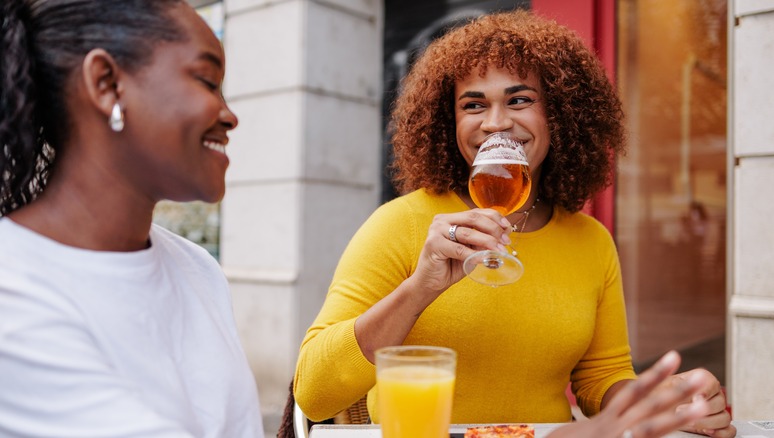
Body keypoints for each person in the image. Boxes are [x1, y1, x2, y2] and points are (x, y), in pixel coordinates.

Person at [293, 8, 735, 438]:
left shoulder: (591, 241)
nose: (496, 123)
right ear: (450, 122)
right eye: (473, 104)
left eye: (519, 100)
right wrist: (420, 288)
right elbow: (314, 393)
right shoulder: (400, 224)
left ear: (560, 114)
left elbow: (601, 378)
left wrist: (663, 400)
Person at [0, 1, 264, 436]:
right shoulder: (14, 294)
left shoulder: (197, 268)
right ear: (107, 83)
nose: (229, 115)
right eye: (206, 80)